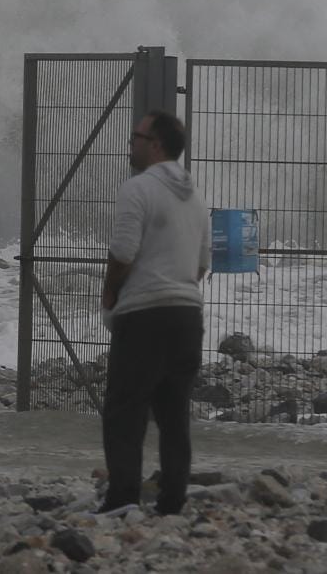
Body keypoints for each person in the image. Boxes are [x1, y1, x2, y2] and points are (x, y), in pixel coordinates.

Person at [97, 109, 211, 516]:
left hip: (144, 314)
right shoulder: (196, 198)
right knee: (174, 415)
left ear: (156, 145)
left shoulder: (137, 189)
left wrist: (111, 290)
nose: (131, 144)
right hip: (186, 316)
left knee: (125, 412)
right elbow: (201, 265)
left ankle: (122, 499)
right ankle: (172, 501)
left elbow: (123, 252)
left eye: (136, 138)